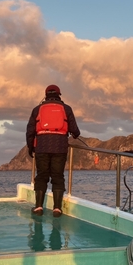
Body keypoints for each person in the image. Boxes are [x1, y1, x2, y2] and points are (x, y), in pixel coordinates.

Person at [26, 84, 80, 217]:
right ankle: (57, 209)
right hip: (60, 146)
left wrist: (30, 147)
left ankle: (38, 207)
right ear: (58, 95)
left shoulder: (37, 109)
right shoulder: (66, 109)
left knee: (42, 176)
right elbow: (74, 129)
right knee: (57, 176)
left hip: (42, 146)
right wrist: (75, 134)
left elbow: (30, 131)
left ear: (46, 95)